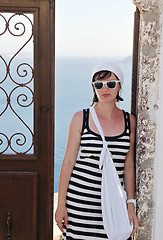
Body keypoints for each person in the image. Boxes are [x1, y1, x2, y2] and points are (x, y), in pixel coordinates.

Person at [55, 62, 139, 239]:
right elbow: (69, 161)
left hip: (113, 205)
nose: (104, 89)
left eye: (110, 83)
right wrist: (61, 204)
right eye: (98, 85)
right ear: (94, 88)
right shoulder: (80, 118)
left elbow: (129, 165)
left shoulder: (130, 121)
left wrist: (131, 202)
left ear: (119, 87)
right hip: (80, 200)